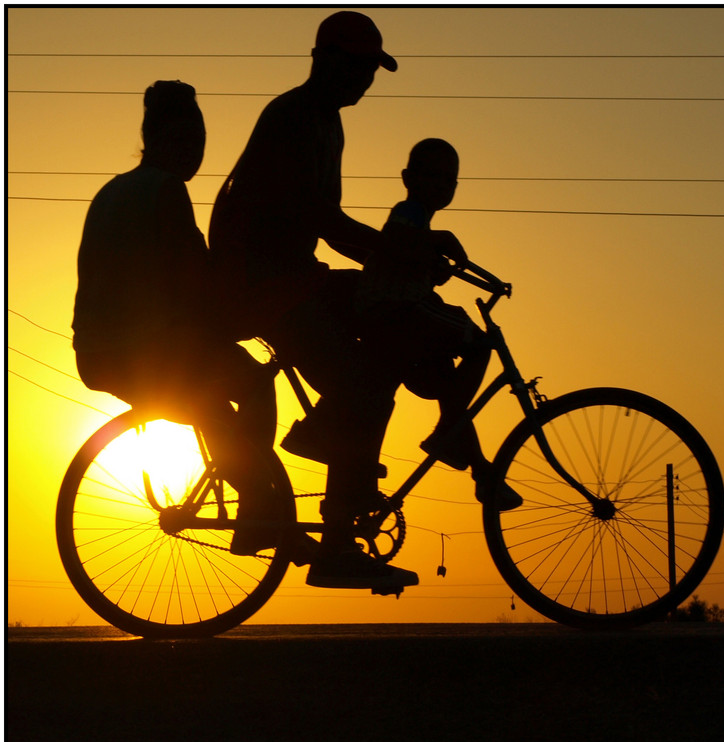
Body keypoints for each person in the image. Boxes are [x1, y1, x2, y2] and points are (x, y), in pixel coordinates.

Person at [208, 12, 421, 591]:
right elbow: (321, 219)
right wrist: (394, 253)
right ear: (327, 60)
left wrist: (392, 258)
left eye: (372, 71)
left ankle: (333, 443)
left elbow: (327, 224)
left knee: (388, 337)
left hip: (292, 276)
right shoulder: (295, 117)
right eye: (359, 68)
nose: (366, 81)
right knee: (360, 387)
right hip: (261, 285)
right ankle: (336, 545)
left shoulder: (327, 123)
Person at [71, 80, 309, 563]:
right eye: (181, 141)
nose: (192, 152)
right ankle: (258, 509)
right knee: (257, 381)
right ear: (153, 140)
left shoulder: (112, 190)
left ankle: (254, 505)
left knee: (212, 401)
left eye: (197, 143)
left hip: (99, 352)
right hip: (147, 348)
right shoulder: (166, 190)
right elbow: (193, 279)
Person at [358, 138, 522, 510]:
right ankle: (451, 439)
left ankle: (482, 472)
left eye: (447, 180)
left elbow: (412, 258)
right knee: (480, 344)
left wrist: (435, 264)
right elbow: (397, 239)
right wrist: (439, 240)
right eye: (431, 175)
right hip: (397, 311)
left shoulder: (417, 221)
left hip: (402, 315)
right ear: (408, 178)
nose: (439, 185)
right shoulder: (409, 212)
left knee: (452, 392)